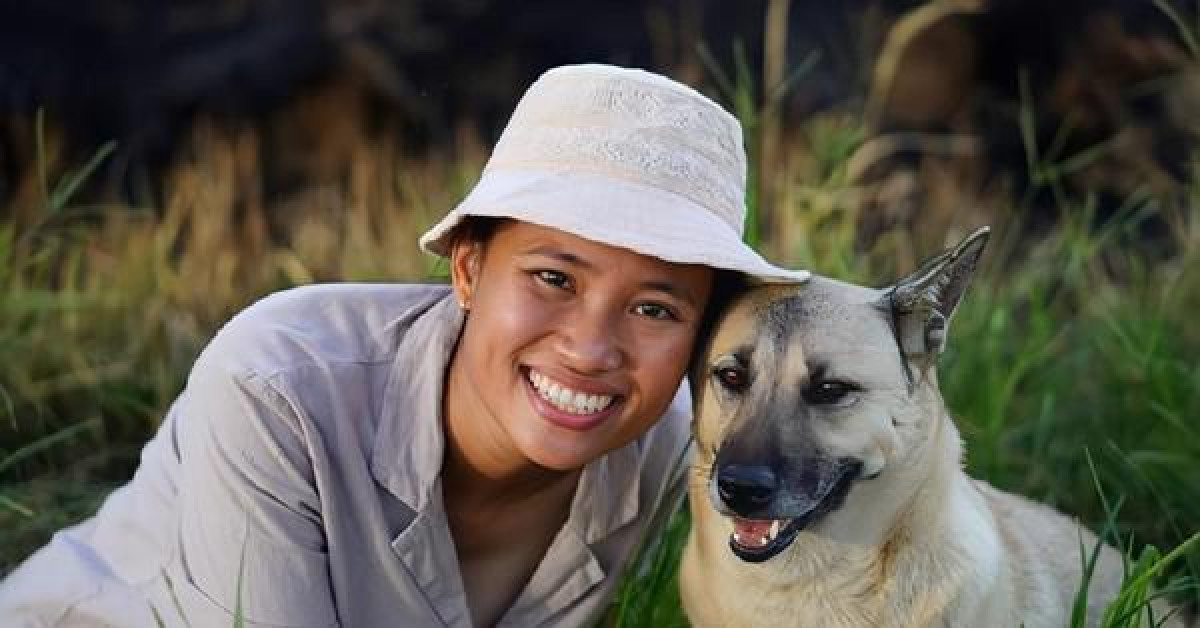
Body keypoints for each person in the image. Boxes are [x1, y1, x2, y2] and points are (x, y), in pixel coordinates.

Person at [0, 63, 808, 627]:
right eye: (554, 279)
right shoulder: (280, 390)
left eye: (657, 309)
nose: (591, 349)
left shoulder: (671, 452)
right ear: (468, 268)